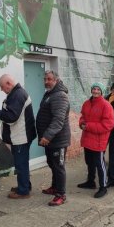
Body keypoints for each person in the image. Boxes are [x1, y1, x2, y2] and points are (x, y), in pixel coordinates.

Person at [0, 74, 37, 199]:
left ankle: (23, 191)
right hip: (22, 136)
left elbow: (11, 117)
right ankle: (25, 186)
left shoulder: (17, 95)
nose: (1, 90)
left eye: (2, 87)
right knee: (22, 164)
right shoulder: (18, 93)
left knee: (21, 165)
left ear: (8, 83)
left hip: (20, 137)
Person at [36, 71, 71, 205]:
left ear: (56, 80)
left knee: (59, 166)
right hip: (50, 140)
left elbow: (58, 119)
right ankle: (55, 187)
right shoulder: (50, 94)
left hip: (58, 140)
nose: (46, 81)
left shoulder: (60, 96)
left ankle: (61, 194)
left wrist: (47, 135)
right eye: (45, 79)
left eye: (49, 79)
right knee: (52, 164)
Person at [78, 82, 114, 198]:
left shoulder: (106, 105)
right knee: (89, 162)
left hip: (99, 141)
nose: (95, 91)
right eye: (94, 89)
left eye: (98, 89)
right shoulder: (86, 103)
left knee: (100, 164)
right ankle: (90, 182)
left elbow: (108, 125)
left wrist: (87, 126)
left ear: (102, 91)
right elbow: (82, 117)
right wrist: (82, 123)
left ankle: (103, 187)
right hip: (87, 139)